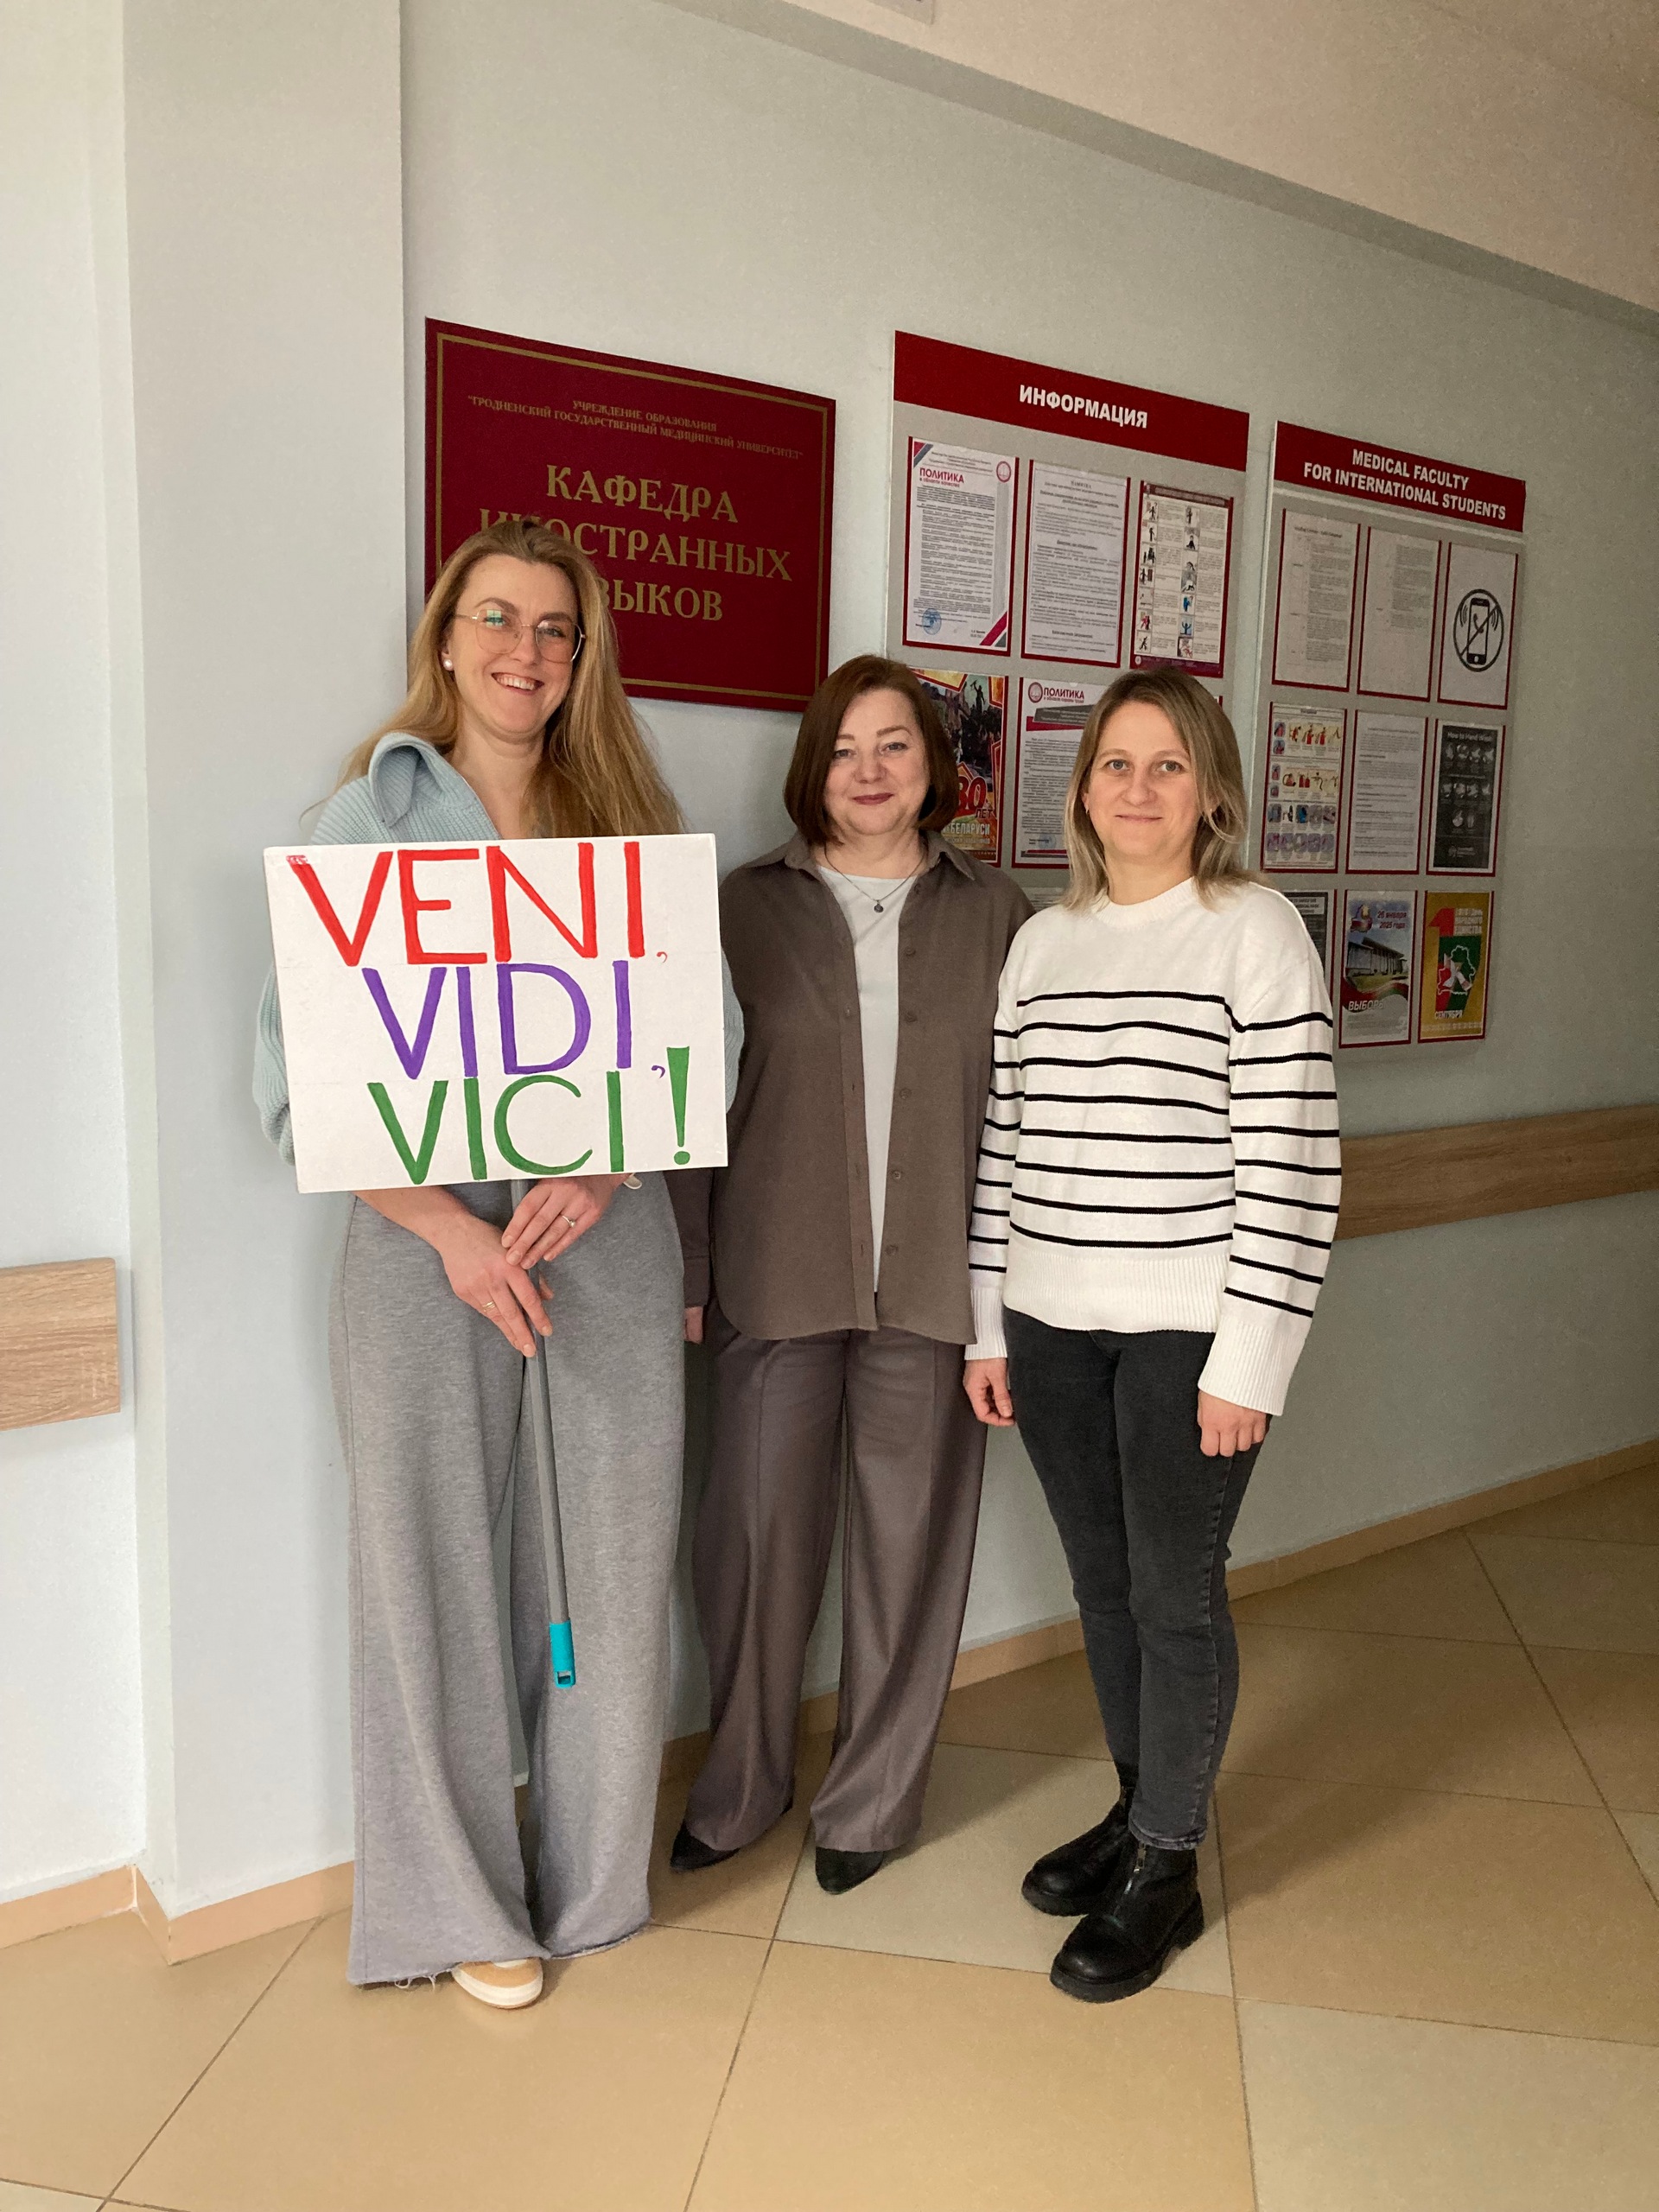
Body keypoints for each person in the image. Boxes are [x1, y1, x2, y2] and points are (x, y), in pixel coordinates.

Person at [254, 518, 736, 2010]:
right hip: (420, 1251)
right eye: (498, 619)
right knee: (429, 1571)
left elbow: (703, 1040)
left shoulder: (628, 828)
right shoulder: (365, 825)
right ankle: (458, 1904)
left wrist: (604, 1165)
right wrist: (451, 1229)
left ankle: (593, 1883)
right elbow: (303, 1084)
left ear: (582, 658)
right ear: (449, 641)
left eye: (555, 628)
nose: (526, 650)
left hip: (605, 1232)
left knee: (615, 1561)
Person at [963, 668, 1338, 2002]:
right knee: (1105, 1586)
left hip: (1189, 1332)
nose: (1138, 789)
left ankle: (1169, 1866)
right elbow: (1005, 1148)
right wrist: (985, 1328)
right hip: (1049, 1322)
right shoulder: (1044, 945)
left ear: (1211, 794)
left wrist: (1251, 1361)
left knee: (1175, 1595)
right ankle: (1139, 1809)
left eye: (1168, 765)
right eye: (1116, 765)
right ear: (1082, 793)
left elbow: (1293, 1166)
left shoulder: (1255, 933)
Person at [671, 656, 1030, 1893]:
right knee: (752, 1548)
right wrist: (689, 1264)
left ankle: (871, 1805)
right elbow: (685, 1104)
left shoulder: (1000, 915)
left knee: (910, 1550)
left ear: (935, 765)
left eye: (894, 745)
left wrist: (1007, 1307)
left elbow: (1030, 1116)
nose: (867, 772)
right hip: (772, 1276)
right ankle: (741, 1787)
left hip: (937, 1290)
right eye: (842, 748)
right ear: (810, 767)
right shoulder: (736, 908)